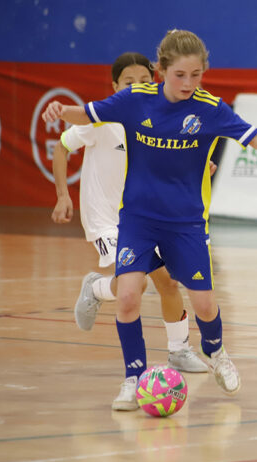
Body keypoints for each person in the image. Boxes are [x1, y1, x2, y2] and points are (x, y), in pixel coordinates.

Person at [42, 29, 257, 402]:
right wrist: (60, 110)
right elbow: (88, 112)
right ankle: (133, 378)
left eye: (196, 75)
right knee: (129, 295)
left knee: (204, 304)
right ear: (162, 69)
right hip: (138, 220)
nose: (188, 83)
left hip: (186, 224)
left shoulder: (210, 109)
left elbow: (256, 138)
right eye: (180, 75)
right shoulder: (135, 100)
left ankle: (217, 353)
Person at [50, 52, 209, 411]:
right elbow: (61, 148)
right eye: (128, 82)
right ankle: (132, 375)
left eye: (143, 80)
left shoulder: (157, 117)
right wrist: (62, 195)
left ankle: (179, 350)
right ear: (115, 87)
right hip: (106, 219)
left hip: (143, 217)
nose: (137, 87)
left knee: (168, 282)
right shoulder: (102, 118)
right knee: (131, 291)